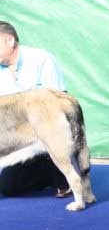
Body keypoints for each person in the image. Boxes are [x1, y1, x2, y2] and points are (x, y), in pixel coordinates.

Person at [0, 21, 71, 197]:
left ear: (10, 40)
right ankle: (48, 175)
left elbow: (59, 104)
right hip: (17, 139)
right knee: (9, 187)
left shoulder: (42, 59)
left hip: (48, 134)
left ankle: (63, 169)